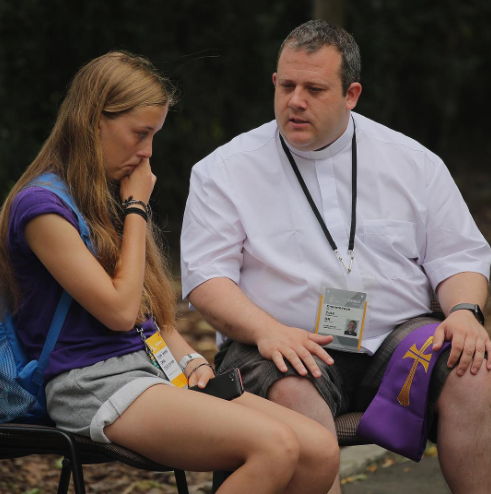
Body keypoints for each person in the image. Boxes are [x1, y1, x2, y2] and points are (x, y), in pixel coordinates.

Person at [0, 51, 340, 494]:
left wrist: (191, 360)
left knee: (319, 450)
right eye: (141, 134)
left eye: (155, 136)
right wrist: (136, 207)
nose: (147, 154)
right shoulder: (41, 208)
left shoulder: (101, 194)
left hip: (151, 371)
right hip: (92, 384)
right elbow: (120, 313)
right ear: (93, 121)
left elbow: (146, 315)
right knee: (274, 447)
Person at [180, 20, 491, 494]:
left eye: (314, 88)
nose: (295, 101)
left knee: (474, 367)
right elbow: (206, 279)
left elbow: (459, 257)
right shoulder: (223, 171)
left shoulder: (413, 162)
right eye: (286, 86)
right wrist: (268, 331)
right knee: (289, 386)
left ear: (351, 95)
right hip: (282, 340)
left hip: (398, 340)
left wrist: (467, 312)